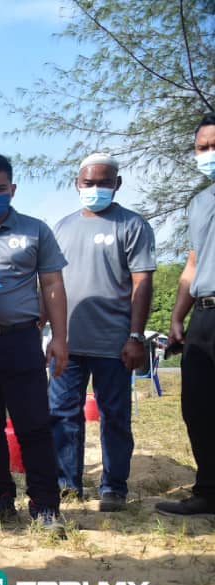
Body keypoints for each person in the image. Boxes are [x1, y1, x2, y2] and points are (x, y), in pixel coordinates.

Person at [0, 152, 70, 537]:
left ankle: (45, 505)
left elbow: (53, 286)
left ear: (12, 189)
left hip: (21, 340)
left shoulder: (35, 231)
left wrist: (59, 338)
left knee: (33, 426)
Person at [49, 153, 155, 512]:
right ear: (77, 184)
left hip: (115, 344)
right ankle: (67, 484)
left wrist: (136, 336)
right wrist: (45, 328)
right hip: (68, 342)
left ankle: (113, 487)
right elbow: (48, 282)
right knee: (62, 414)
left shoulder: (132, 225)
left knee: (114, 417)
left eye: (103, 182)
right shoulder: (61, 227)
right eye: (88, 182)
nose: (95, 188)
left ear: (117, 184)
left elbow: (142, 282)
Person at [156, 114, 215, 517]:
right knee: (198, 405)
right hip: (206, 314)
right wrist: (179, 316)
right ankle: (208, 491)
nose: (209, 154)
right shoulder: (198, 202)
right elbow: (193, 262)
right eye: (203, 148)